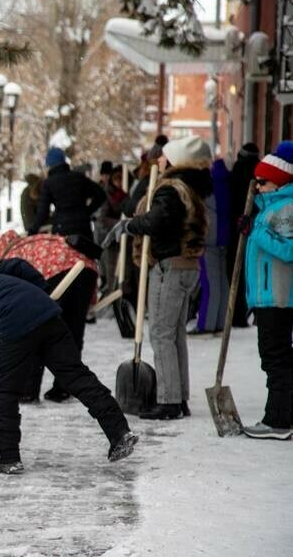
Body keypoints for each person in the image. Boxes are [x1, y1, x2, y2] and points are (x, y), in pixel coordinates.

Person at [0, 259, 138, 475]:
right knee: (76, 377)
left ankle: (6, 456)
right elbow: (14, 264)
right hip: (47, 312)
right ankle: (119, 431)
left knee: (5, 392)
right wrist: (42, 290)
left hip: (16, 326)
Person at [105, 136, 213, 420]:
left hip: (170, 266)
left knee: (162, 334)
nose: (159, 161)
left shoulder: (171, 189)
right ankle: (179, 396)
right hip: (187, 265)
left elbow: (157, 221)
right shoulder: (191, 188)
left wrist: (128, 225)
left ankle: (168, 401)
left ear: (175, 160)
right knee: (175, 333)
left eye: (165, 157)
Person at [0, 230, 99, 403]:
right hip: (86, 268)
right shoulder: (34, 241)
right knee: (72, 332)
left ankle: (28, 390)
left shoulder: (11, 256)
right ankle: (63, 389)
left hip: (59, 271)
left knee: (38, 330)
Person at [240, 144, 293, 440]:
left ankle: (277, 420)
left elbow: (288, 250)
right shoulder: (272, 207)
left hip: (279, 295)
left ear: (280, 180)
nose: (257, 187)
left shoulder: (286, 208)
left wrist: (256, 232)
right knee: (277, 356)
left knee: (275, 357)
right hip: (269, 295)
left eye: (263, 181)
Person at [28, 147, 106, 239]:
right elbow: (101, 194)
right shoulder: (79, 178)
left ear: (49, 165)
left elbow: (43, 213)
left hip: (62, 230)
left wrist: (33, 229)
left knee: (67, 253)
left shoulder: (49, 183)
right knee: (84, 252)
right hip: (83, 227)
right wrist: (87, 211)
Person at [191, 155, 231, 334]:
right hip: (224, 237)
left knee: (209, 284)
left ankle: (206, 324)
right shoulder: (226, 181)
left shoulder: (208, 185)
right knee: (222, 283)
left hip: (210, 238)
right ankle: (221, 322)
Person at [228, 142, 261, 327]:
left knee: (238, 272)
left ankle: (239, 313)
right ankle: (252, 310)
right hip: (253, 225)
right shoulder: (258, 172)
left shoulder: (238, 170)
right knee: (252, 271)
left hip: (240, 226)